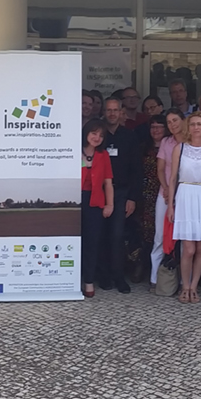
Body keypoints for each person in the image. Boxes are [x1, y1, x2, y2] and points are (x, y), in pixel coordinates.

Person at [167, 112, 201, 305]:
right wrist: (171, 205)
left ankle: (194, 287)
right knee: (188, 248)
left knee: (200, 247)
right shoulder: (180, 148)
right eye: (192, 124)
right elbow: (173, 178)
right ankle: (185, 285)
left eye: (199, 124)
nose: (196, 127)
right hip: (185, 195)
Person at [100, 98, 141, 293]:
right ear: (104, 112)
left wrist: (132, 198)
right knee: (101, 235)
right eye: (109, 110)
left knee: (117, 235)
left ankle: (118, 276)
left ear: (121, 112)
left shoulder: (129, 136)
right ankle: (103, 275)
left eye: (115, 110)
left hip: (121, 192)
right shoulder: (97, 135)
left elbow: (136, 170)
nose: (112, 114)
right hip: (99, 192)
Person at [76, 120, 117, 299]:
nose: (97, 138)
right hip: (75, 201)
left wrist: (110, 204)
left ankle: (89, 280)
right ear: (86, 133)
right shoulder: (73, 151)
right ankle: (71, 278)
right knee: (75, 240)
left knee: (92, 243)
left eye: (101, 135)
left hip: (95, 202)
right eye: (94, 133)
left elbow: (108, 183)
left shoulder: (103, 155)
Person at [149, 110, 187, 287]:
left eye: (175, 120)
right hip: (164, 194)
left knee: (184, 238)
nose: (172, 125)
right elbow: (160, 169)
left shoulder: (192, 142)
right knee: (160, 236)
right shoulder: (166, 142)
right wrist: (165, 188)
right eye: (169, 122)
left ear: (183, 121)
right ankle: (155, 279)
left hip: (186, 194)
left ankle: (183, 280)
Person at [135, 116, 166, 283]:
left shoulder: (171, 147)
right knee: (146, 230)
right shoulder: (142, 148)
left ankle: (163, 270)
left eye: (159, 127)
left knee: (162, 232)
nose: (156, 130)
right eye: (153, 127)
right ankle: (142, 264)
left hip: (164, 193)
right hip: (145, 194)